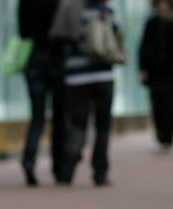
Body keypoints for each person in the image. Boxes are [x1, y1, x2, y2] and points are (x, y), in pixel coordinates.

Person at [50, 0, 122, 186]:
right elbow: (116, 37)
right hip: (104, 74)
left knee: (77, 124)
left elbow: (56, 37)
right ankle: (100, 172)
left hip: (77, 76)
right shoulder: (106, 10)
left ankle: (68, 167)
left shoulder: (68, 7)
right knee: (103, 125)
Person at [18, 0, 65, 186]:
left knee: (37, 117)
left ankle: (29, 160)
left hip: (34, 62)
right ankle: (59, 166)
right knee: (59, 116)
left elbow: (22, 33)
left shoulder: (25, 3)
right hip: (56, 62)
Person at [139, 0, 173, 151]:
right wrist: (143, 69)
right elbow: (143, 47)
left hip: (171, 73)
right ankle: (160, 133)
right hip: (154, 72)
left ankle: (169, 136)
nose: (163, 11)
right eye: (161, 8)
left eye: (166, 8)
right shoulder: (150, 24)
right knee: (157, 103)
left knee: (170, 104)